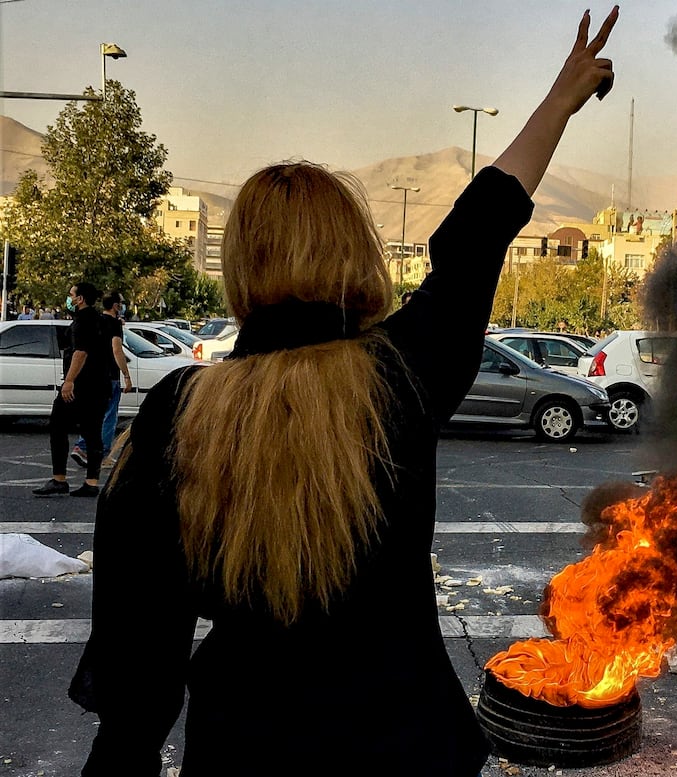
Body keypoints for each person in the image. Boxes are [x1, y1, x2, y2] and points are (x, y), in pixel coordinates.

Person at [68, 9, 618, 776]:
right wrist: (559, 102)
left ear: (240, 267)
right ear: (356, 251)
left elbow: (138, 670)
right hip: (410, 751)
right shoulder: (400, 375)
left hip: (244, 754)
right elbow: (478, 234)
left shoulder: (178, 414)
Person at [32, 282, 112, 497]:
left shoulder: (82, 321)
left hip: (81, 387)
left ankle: (59, 479)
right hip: (99, 386)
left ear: (80, 299)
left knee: (57, 426)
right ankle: (91, 483)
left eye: (71, 295)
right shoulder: (100, 320)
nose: (69, 298)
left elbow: (80, 353)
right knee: (93, 433)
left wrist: (69, 381)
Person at [71, 293, 133, 468]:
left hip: (93, 375)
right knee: (109, 416)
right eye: (121, 303)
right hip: (110, 376)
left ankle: (82, 446)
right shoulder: (114, 324)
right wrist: (126, 375)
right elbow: (117, 350)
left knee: (94, 415)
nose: (122, 305)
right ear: (115, 305)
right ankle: (101, 454)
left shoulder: (96, 320)